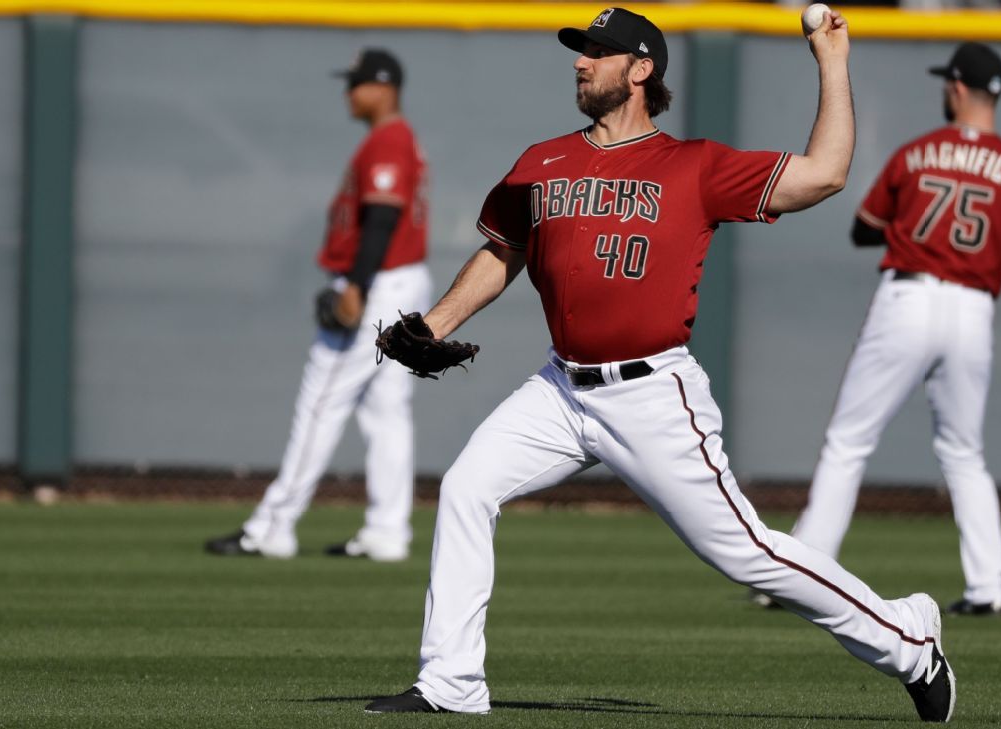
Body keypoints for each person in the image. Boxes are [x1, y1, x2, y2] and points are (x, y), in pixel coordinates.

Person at [365, 7, 956, 722]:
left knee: (745, 552)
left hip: (652, 391)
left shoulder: (694, 166)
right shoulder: (541, 163)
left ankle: (908, 639)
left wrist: (831, 61)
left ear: (641, 70)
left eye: (599, 52)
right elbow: (502, 252)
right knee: (465, 489)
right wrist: (434, 323)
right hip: (560, 386)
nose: (581, 62)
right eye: (580, 51)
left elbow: (826, 175)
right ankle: (451, 683)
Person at [777, 42, 1001, 616]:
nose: (945, 90)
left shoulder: (917, 153)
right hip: (973, 310)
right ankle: (988, 588)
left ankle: (807, 569)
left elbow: (865, 229)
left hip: (908, 299)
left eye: (949, 82)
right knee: (964, 452)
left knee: (849, 440)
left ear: (959, 88)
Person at [205, 48, 431, 561]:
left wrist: (355, 285)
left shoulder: (390, 141)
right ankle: (387, 532)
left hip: (380, 285)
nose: (347, 93)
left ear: (384, 88)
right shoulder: (396, 139)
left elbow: (381, 220)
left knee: (321, 402)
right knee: (386, 411)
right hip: (400, 283)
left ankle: (272, 527)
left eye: (355, 84)